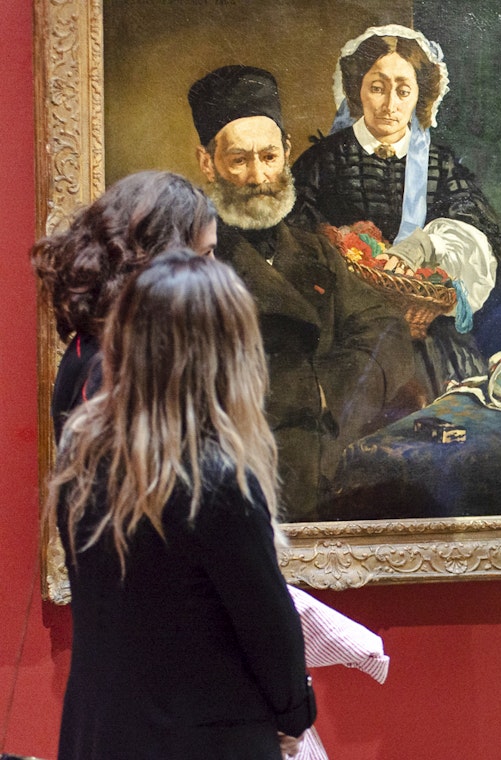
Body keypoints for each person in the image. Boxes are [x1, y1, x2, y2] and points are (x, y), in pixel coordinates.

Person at [48, 251, 315, 759]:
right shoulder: (213, 480)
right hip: (202, 739)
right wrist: (292, 712)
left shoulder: (82, 452)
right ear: (228, 354)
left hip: (98, 730)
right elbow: (268, 628)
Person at [188, 64, 419, 520]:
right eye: (239, 160)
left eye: (270, 157)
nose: (258, 176)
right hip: (248, 492)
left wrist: (326, 393)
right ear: (206, 164)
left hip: (339, 473)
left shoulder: (316, 249)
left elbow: (387, 332)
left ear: (287, 152)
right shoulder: (190, 260)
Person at [290, 24, 501, 400]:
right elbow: (296, 235)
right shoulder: (322, 160)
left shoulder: (440, 164)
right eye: (377, 87)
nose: (390, 104)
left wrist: (423, 247)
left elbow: (481, 230)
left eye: (403, 91)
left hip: (429, 335)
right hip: (344, 326)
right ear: (357, 89)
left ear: (419, 96)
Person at [29, 170, 217, 442]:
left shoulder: (122, 348)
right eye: (205, 254)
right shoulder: (108, 366)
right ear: (157, 258)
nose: (213, 266)